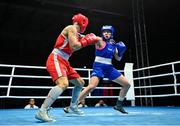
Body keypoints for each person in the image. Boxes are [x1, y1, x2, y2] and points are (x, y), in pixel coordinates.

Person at [35, 13, 102, 122]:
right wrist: (87, 41)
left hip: (65, 61)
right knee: (63, 84)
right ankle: (42, 111)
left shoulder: (77, 33)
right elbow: (74, 46)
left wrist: (97, 39)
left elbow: (90, 39)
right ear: (83, 22)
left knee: (80, 83)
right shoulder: (71, 28)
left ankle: (72, 107)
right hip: (56, 58)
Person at [64, 25, 131, 114]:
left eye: (108, 32)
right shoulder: (99, 40)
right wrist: (75, 35)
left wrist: (121, 51)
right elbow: (86, 38)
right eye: (105, 32)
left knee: (127, 84)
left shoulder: (113, 44)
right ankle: (72, 105)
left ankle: (118, 105)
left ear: (111, 34)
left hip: (109, 68)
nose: (106, 34)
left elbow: (118, 59)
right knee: (91, 86)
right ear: (102, 33)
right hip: (98, 66)